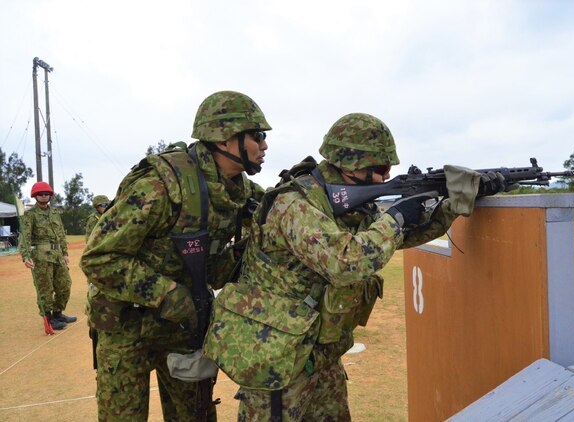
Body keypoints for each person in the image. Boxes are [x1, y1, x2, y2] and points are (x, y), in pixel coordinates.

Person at [203, 113, 506, 421]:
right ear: (351, 165)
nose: (384, 178)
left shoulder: (349, 204)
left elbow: (400, 236)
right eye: (379, 169)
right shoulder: (294, 204)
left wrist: (453, 204)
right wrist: (396, 217)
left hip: (319, 356)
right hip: (277, 359)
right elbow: (345, 263)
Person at [80, 90, 271, 422]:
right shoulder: (161, 184)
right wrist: (165, 292)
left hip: (182, 327)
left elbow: (218, 268)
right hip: (126, 325)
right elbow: (99, 257)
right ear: (225, 141)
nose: (264, 145)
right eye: (258, 136)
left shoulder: (240, 192)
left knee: (194, 416)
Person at [19, 181, 77, 333]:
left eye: (47, 194)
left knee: (65, 285)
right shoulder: (30, 215)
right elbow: (25, 237)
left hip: (58, 256)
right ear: (35, 196)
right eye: (41, 194)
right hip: (41, 257)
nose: (44, 196)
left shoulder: (55, 213)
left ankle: (58, 314)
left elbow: (61, 235)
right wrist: (26, 256)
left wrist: (65, 253)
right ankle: (49, 318)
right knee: (45, 289)